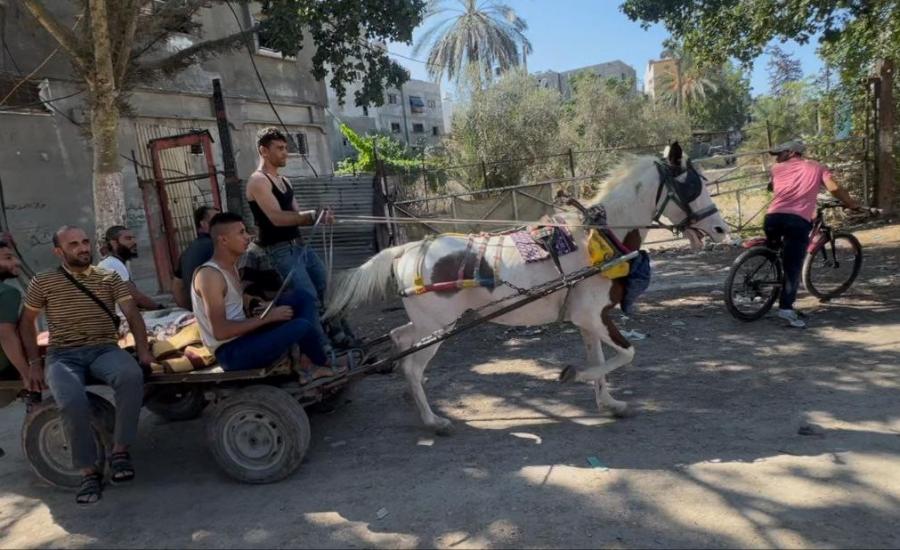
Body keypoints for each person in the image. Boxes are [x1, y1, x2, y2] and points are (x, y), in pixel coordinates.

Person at [19, 226, 153, 505]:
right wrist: (33, 363)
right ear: (59, 251)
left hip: (104, 349)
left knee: (130, 376)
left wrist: (143, 352)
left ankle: (119, 452)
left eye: (85, 242)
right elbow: (27, 323)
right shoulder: (43, 281)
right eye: (73, 244)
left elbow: (132, 314)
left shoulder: (108, 276)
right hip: (63, 355)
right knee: (71, 401)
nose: (82, 248)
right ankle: (88, 471)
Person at [191, 213, 353, 378]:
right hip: (232, 353)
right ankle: (317, 363)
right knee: (301, 325)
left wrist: (261, 306)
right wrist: (268, 318)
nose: (248, 237)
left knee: (302, 297)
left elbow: (237, 306)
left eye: (246, 231)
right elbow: (220, 331)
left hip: (246, 338)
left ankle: (310, 361)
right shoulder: (209, 276)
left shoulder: (232, 266)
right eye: (241, 233)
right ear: (223, 240)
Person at [245, 127, 334, 351]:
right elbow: (277, 219)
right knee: (309, 298)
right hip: (279, 250)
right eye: (280, 148)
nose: (285, 153)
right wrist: (313, 216)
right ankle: (321, 351)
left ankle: (340, 337)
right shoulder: (258, 181)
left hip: (298, 247)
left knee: (328, 289)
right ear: (263, 151)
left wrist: (317, 217)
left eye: (286, 148)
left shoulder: (285, 181)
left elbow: (296, 216)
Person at [765, 139, 860, 328]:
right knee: (792, 266)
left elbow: (774, 188)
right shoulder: (817, 167)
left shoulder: (776, 170)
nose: (777, 158)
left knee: (775, 254)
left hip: (772, 219)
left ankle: (766, 280)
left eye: (780, 153)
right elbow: (833, 188)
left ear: (792, 152)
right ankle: (785, 309)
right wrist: (850, 203)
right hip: (797, 221)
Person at [98, 225, 164, 310]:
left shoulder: (116, 263)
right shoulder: (112, 264)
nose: (134, 242)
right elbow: (136, 297)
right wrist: (159, 308)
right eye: (128, 239)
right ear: (114, 243)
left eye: (133, 238)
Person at [172, 205, 219, 310]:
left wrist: (191, 310)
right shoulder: (217, 246)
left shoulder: (187, 251)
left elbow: (177, 287)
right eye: (217, 220)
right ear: (203, 224)